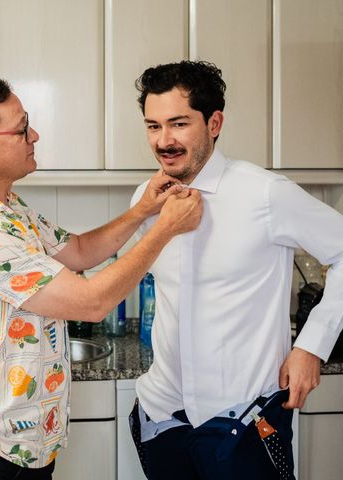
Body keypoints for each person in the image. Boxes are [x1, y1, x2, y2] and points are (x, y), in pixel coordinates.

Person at [0, 78, 203, 480]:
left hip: (20, 445)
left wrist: (142, 211)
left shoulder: (4, 207)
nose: (34, 135)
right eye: (22, 128)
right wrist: (166, 229)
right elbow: (91, 302)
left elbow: (77, 251)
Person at [128, 60, 343, 479]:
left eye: (178, 124)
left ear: (214, 122)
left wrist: (312, 346)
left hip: (244, 421)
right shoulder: (147, 198)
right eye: (153, 126)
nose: (164, 140)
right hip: (163, 417)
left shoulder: (265, 193)